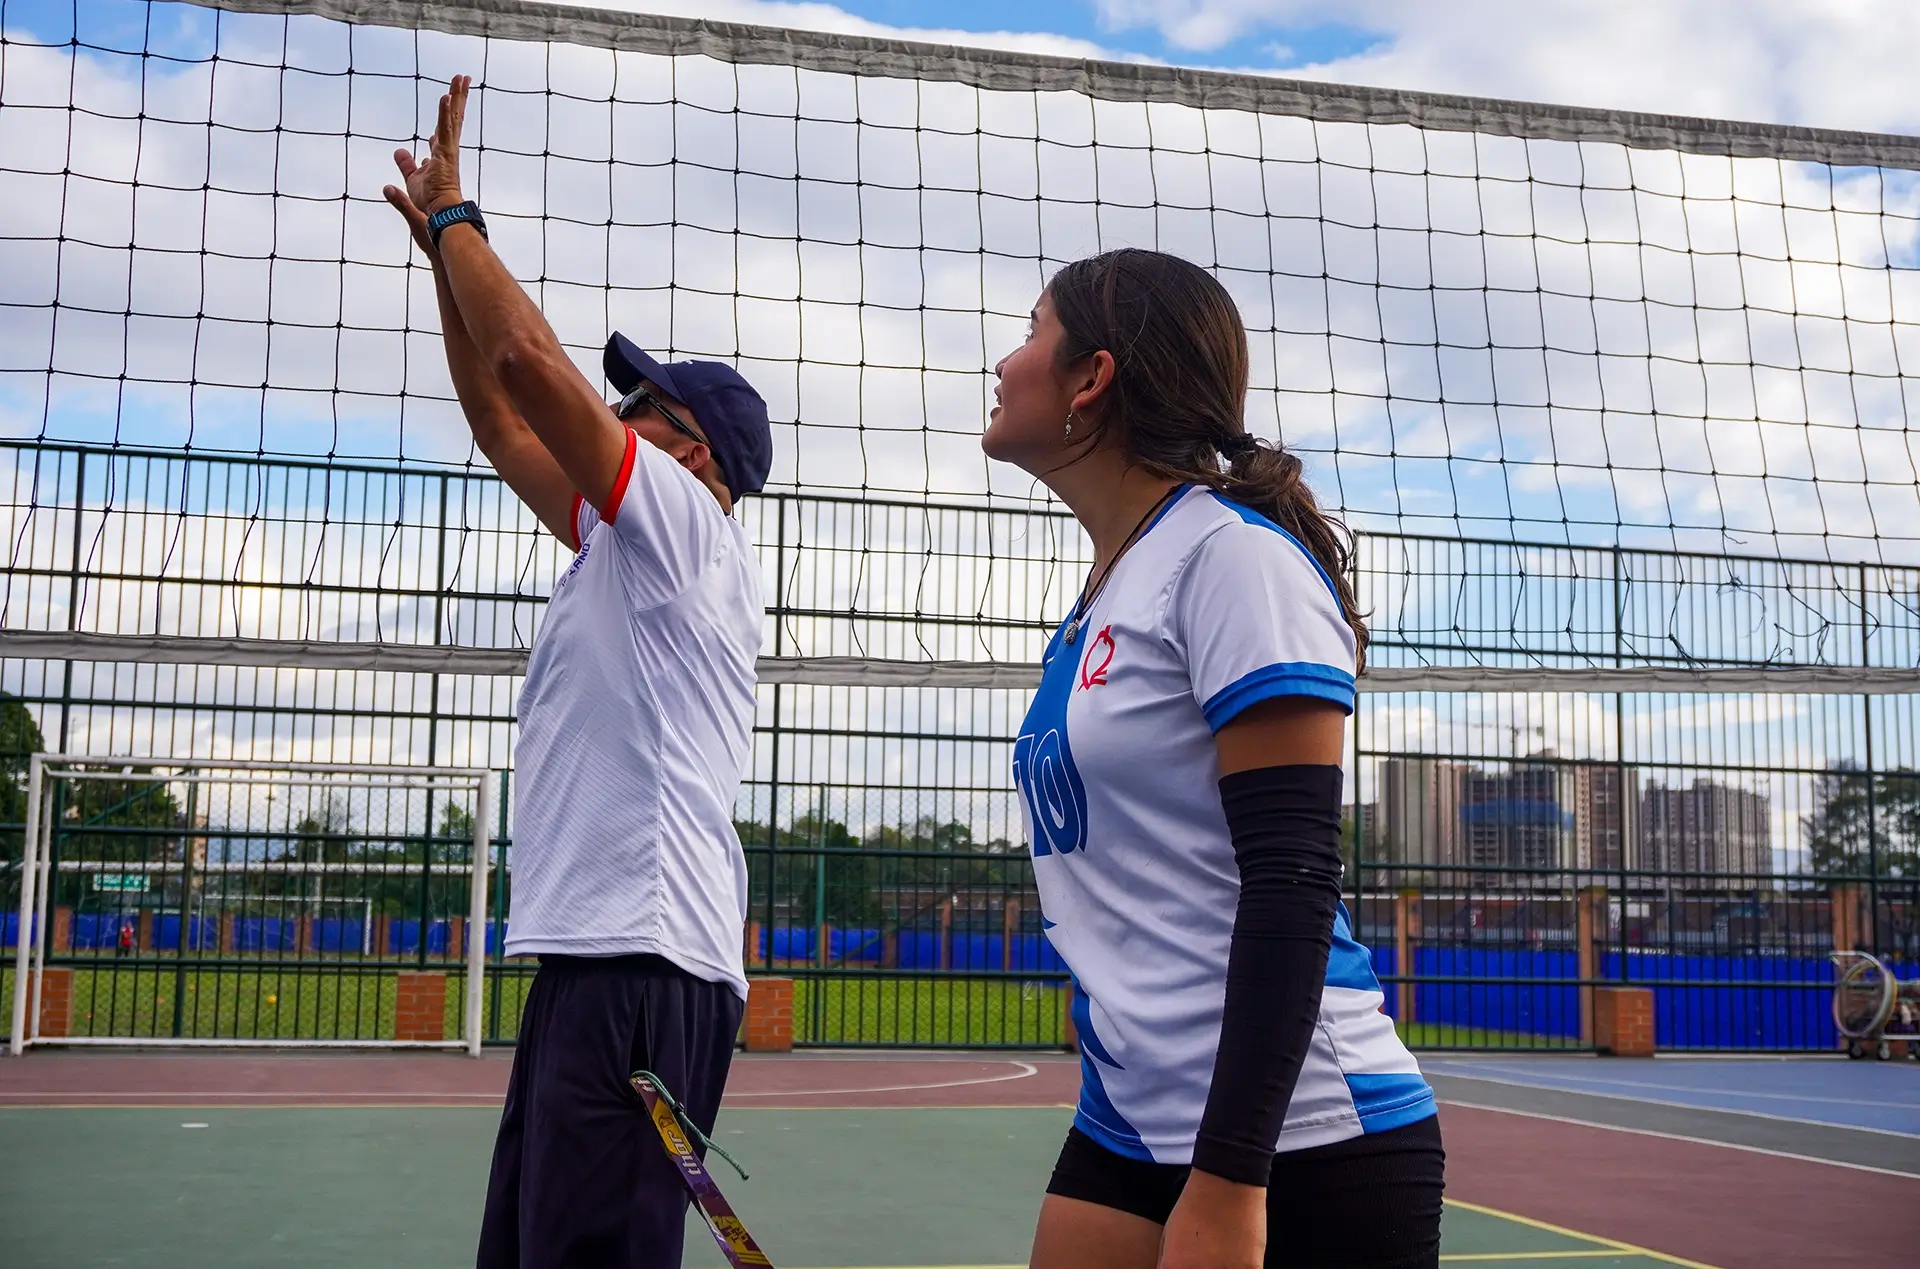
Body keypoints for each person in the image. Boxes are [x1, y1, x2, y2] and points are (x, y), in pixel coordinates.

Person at [986, 248, 1444, 1269]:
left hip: (1298, 1141)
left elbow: (1291, 879)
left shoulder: (1231, 559)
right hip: (1130, 1121)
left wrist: (1232, 1180)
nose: (1006, 362)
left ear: (1092, 378)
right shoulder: (1114, 587)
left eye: (1030, 332)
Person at [381, 77, 773, 1269]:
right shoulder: (626, 541)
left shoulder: (686, 525)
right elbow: (506, 420)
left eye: (637, 405)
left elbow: (532, 361)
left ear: (689, 450)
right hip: (600, 963)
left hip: (643, 964)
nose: (615, 411)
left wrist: (461, 227)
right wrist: (450, 264)